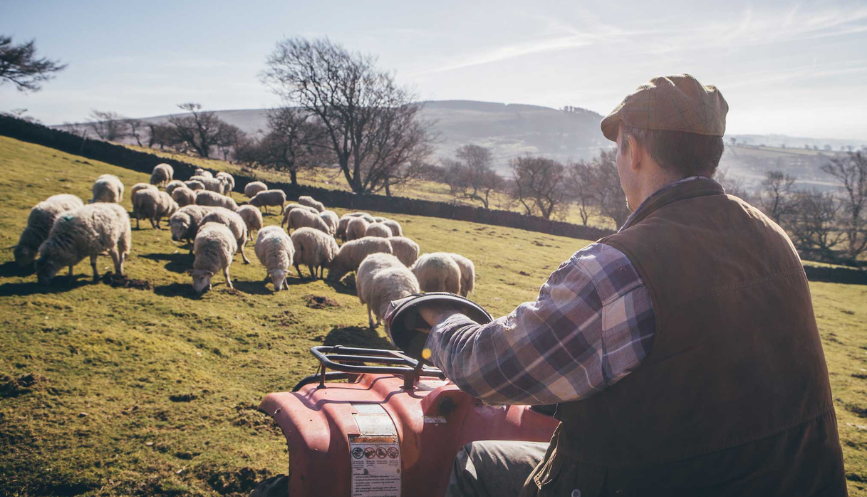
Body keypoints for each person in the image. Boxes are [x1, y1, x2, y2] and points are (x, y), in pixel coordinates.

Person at [418, 74, 848, 497]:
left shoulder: (620, 268)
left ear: (635, 150)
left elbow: (489, 370)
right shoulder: (773, 238)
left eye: (619, 147)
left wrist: (442, 320)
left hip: (654, 482)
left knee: (478, 463)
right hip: (785, 481)